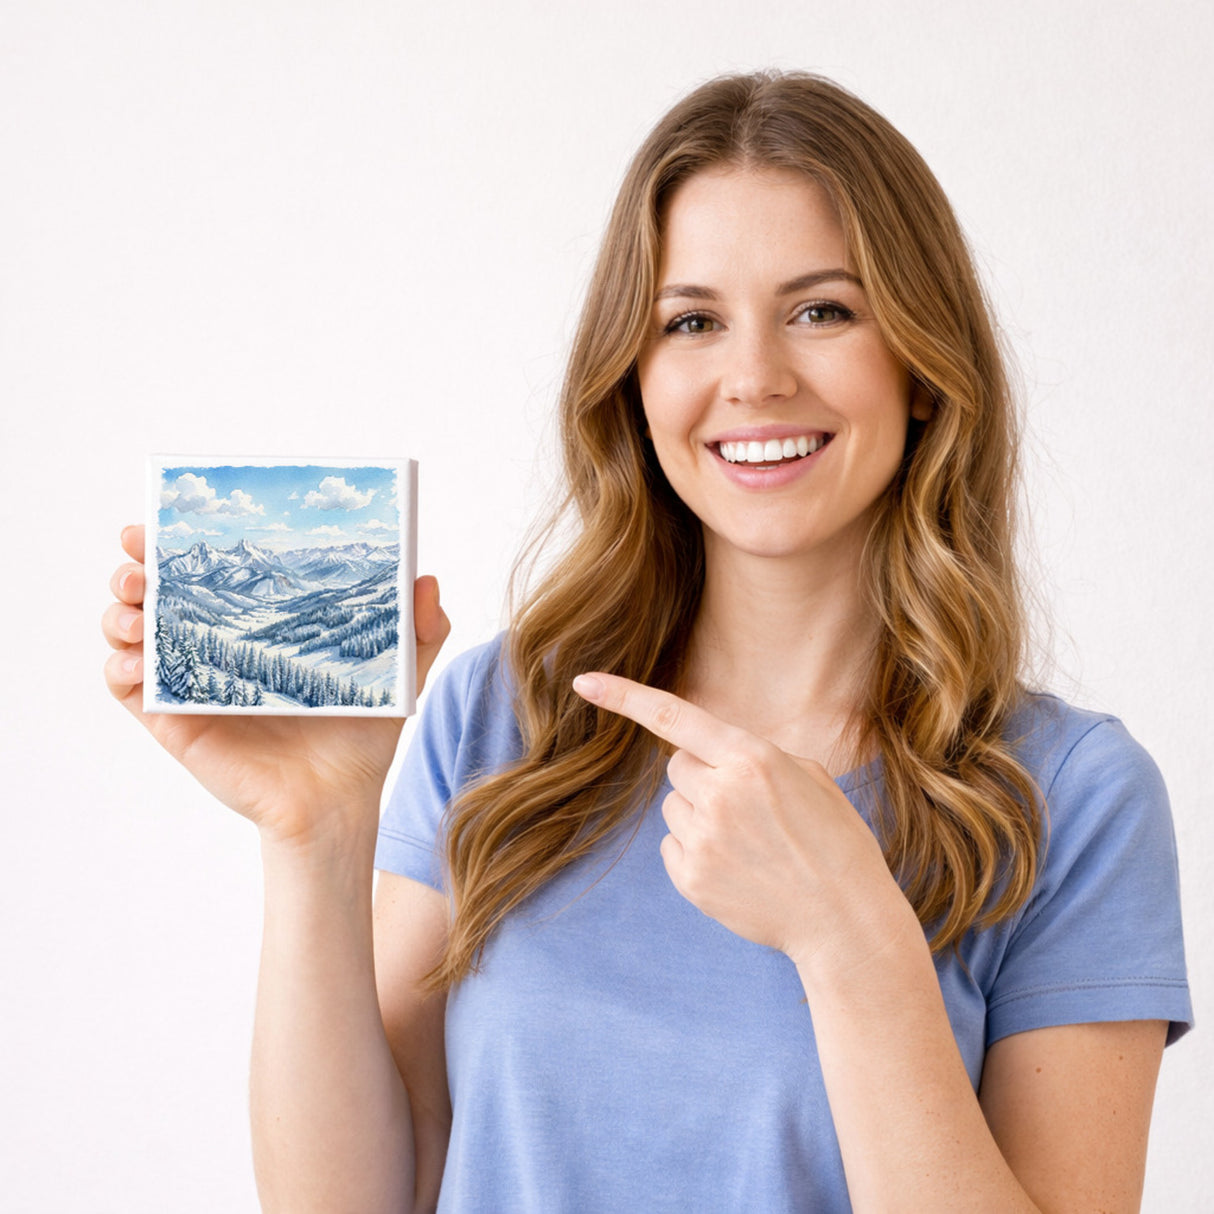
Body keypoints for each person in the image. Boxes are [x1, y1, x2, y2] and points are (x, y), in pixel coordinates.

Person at [103, 71, 1191, 1213]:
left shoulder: (1072, 797)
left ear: (921, 365)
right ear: (633, 375)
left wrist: (849, 940)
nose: (754, 376)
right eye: (691, 321)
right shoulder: (499, 715)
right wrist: (318, 838)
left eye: (822, 309)